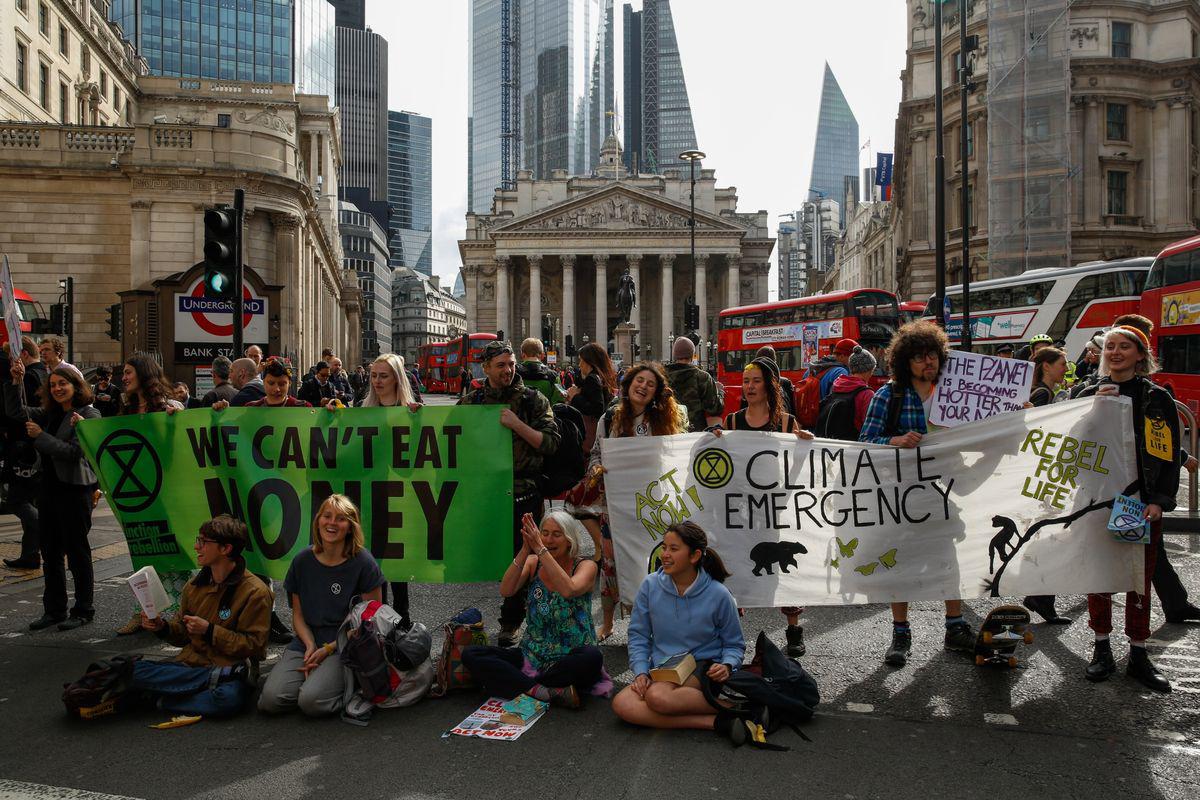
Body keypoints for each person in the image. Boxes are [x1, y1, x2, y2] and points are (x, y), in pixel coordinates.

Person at [858, 321, 975, 666]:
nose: (929, 363)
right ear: (905, 361)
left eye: (933, 356)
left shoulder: (955, 392)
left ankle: (954, 627)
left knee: (947, 559)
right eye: (920, 357)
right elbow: (864, 442)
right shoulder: (889, 396)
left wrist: (1019, 413)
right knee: (902, 561)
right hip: (901, 496)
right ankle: (900, 633)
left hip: (942, 491)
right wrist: (893, 441)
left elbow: (988, 428)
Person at [1077, 326, 1180, 692]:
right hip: (1097, 501)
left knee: (1139, 577)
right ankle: (1101, 650)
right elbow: (1067, 442)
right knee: (1099, 576)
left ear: (1140, 354)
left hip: (1136, 502)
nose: (1116, 352)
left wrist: (1160, 500)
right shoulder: (1086, 393)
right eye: (1111, 347)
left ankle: (1138, 653)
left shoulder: (1157, 398)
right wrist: (1092, 407)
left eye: (1125, 347)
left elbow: (1168, 454)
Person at [458, 340, 560, 646]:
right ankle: (476, 617)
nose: (508, 370)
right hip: (485, 492)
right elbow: (445, 434)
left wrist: (517, 425)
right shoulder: (472, 402)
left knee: (524, 555)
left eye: (511, 363)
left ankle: (512, 621)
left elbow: (551, 443)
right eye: (500, 365)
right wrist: (415, 413)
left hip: (523, 490)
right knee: (487, 555)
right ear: (485, 368)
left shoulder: (533, 400)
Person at [611, 522, 748, 743]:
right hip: (664, 669)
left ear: (694, 556)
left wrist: (727, 664)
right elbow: (639, 635)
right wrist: (641, 672)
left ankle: (739, 707)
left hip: (704, 666)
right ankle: (721, 719)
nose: (665, 554)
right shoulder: (650, 585)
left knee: (658, 697)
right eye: (664, 547)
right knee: (622, 704)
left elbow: (734, 644)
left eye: (673, 549)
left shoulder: (719, 594)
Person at [715, 359, 813, 657]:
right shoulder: (732, 421)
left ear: (769, 385)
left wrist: (803, 443)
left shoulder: (785, 422)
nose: (750, 387)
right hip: (742, 509)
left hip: (774, 508)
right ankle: (733, 635)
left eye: (756, 381)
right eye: (746, 382)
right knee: (738, 567)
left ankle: (794, 630)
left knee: (784, 566)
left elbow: (797, 467)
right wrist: (713, 440)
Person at [461, 511, 605, 706]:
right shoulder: (533, 562)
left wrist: (540, 549)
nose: (548, 539)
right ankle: (543, 691)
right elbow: (506, 589)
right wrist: (525, 549)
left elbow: (568, 590)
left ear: (569, 540)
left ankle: (519, 685)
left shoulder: (586, 566)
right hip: (532, 655)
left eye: (556, 534)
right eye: (544, 533)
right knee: (471, 654)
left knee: (592, 657)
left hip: (570, 656)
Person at [258, 495, 385, 717]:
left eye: (340, 519)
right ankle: (317, 683)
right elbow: (297, 615)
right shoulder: (302, 560)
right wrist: (309, 646)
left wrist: (327, 649)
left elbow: (371, 622)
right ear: (318, 521)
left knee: (311, 702)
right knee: (270, 700)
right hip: (307, 642)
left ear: (350, 527)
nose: (332, 523)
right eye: (327, 516)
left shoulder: (364, 562)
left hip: (346, 645)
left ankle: (352, 686)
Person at [132, 515, 271, 717]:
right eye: (199, 540)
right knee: (133, 670)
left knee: (228, 699)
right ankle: (182, 691)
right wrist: (162, 627)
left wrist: (210, 631)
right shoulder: (194, 585)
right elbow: (181, 635)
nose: (197, 547)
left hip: (231, 669)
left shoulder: (255, 592)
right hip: (191, 666)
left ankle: (159, 699)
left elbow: (254, 646)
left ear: (226, 549)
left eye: (204, 542)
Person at [589, 361, 688, 639]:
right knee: (610, 564)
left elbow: (679, 453)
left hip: (651, 505)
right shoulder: (609, 419)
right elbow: (596, 453)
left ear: (656, 392)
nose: (643, 386)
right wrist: (596, 470)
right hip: (615, 507)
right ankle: (607, 623)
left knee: (647, 562)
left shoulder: (662, 421)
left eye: (650, 384)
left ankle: (644, 623)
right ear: (628, 383)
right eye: (639, 381)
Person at [3, 359, 100, 630]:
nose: (57, 389)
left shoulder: (89, 415)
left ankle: (83, 609)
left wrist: (40, 438)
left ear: (75, 385)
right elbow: (16, 411)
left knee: (77, 552)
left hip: (75, 492)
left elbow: (74, 452)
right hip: (48, 492)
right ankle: (54, 610)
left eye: (63, 384)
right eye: (53, 385)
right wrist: (16, 381)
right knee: (51, 552)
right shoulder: (49, 413)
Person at [113, 354, 190, 635]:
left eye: (128, 372)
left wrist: (174, 423)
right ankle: (144, 610)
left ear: (144, 375)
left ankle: (177, 612)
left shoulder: (172, 407)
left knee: (172, 554)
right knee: (142, 551)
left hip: (166, 495)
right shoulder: (128, 410)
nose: (124, 377)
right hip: (139, 495)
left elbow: (180, 448)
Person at [356, 353, 422, 625]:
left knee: (398, 557)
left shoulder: (411, 410)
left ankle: (403, 615)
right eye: (374, 375)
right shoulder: (362, 409)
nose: (377, 381)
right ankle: (378, 615)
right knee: (375, 556)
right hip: (370, 492)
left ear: (397, 378)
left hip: (401, 491)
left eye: (383, 375)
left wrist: (416, 422)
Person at [1021, 347, 1074, 626]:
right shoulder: (1042, 394)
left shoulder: (1048, 392)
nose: (1066, 367)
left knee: (1047, 537)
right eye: (1062, 363)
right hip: (1043, 476)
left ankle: (1039, 596)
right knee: (1050, 537)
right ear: (1046, 366)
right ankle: (1041, 598)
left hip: (1047, 475)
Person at [815, 345, 878, 441]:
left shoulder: (837, 386)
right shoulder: (867, 393)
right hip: (854, 447)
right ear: (868, 370)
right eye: (872, 370)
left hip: (831, 446)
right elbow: (870, 428)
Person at [664, 337, 723, 433]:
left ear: (675, 356)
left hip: (668, 430)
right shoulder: (702, 377)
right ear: (692, 355)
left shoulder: (662, 375)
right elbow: (714, 408)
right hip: (695, 433)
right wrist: (720, 392)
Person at [243, 358, 311, 409]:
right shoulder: (251, 408)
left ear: (289, 383)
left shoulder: (303, 408)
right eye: (271, 383)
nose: (277, 389)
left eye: (282, 384)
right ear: (263, 382)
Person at [517, 338, 567, 405]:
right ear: (542, 355)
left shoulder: (514, 373)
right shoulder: (553, 376)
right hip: (546, 414)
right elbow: (558, 402)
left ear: (523, 355)